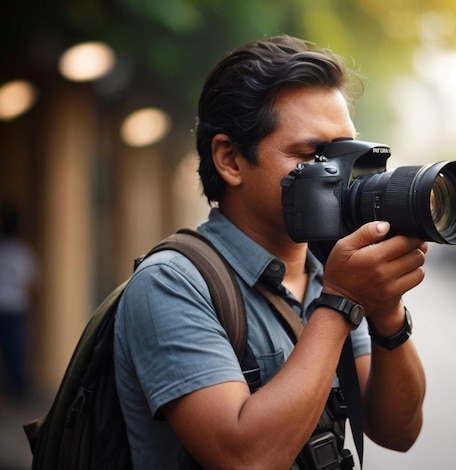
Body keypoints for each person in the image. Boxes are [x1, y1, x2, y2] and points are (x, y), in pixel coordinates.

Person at [114, 34, 428, 469]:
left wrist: (387, 311)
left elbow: (398, 431)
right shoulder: (171, 283)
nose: (342, 174)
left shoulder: (327, 271)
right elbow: (244, 458)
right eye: (313, 154)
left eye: (344, 151)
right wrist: (342, 303)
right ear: (230, 160)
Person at [0, 203, 38, 399]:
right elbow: (29, 282)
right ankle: (17, 389)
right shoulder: (22, 252)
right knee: (17, 349)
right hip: (16, 306)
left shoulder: (3, 250)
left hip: (4, 306)